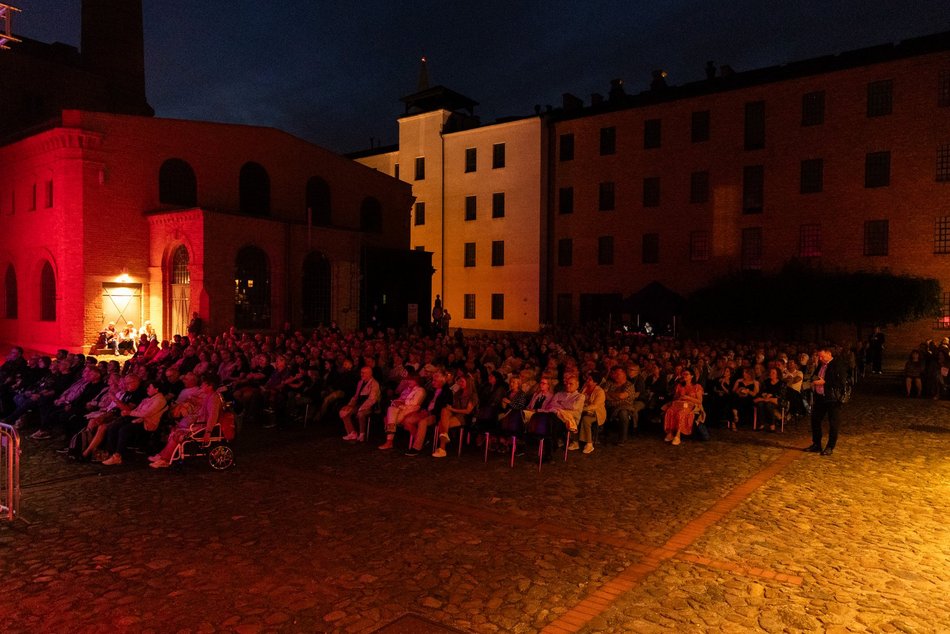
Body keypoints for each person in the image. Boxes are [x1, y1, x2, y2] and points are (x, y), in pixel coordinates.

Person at [804, 346, 847, 456]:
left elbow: (841, 382)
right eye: (819, 356)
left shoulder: (837, 365)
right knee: (815, 419)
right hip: (820, 397)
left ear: (829, 354)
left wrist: (824, 382)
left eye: (822, 356)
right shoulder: (821, 365)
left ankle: (830, 446)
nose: (820, 358)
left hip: (832, 399)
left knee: (833, 423)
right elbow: (814, 376)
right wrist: (814, 380)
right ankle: (816, 444)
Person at [663, 369, 704, 445]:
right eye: (683, 374)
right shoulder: (680, 386)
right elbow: (675, 398)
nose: (684, 376)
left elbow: (699, 401)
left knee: (681, 412)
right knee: (670, 410)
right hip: (680, 404)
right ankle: (671, 432)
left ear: (691, 376)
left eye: (686, 374)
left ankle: (678, 435)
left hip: (691, 405)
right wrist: (679, 396)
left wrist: (688, 398)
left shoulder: (696, 386)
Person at [340, 366, 381, 441]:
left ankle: (362, 434)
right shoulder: (360, 382)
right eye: (361, 372)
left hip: (370, 406)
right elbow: (356, 396)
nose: (361, 374)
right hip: (359, 404)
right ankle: (352, 433)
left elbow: (372, 399)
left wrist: (361, 408)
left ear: (370, 374)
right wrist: (349, 405)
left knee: (361, 414)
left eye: (364, 373)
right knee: (343, 412)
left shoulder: (375, 384)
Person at [573, 371, 605, 454]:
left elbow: (595, 406)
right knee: (574, 417)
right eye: (588, 378)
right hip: (583, 410)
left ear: (595, 382)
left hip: (596, 413)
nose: (587, 380)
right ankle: (575, 441)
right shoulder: (585, 387)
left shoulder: (600, 392)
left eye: (590, 379)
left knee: (586, 420)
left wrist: (583, 409)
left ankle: (589, 443)